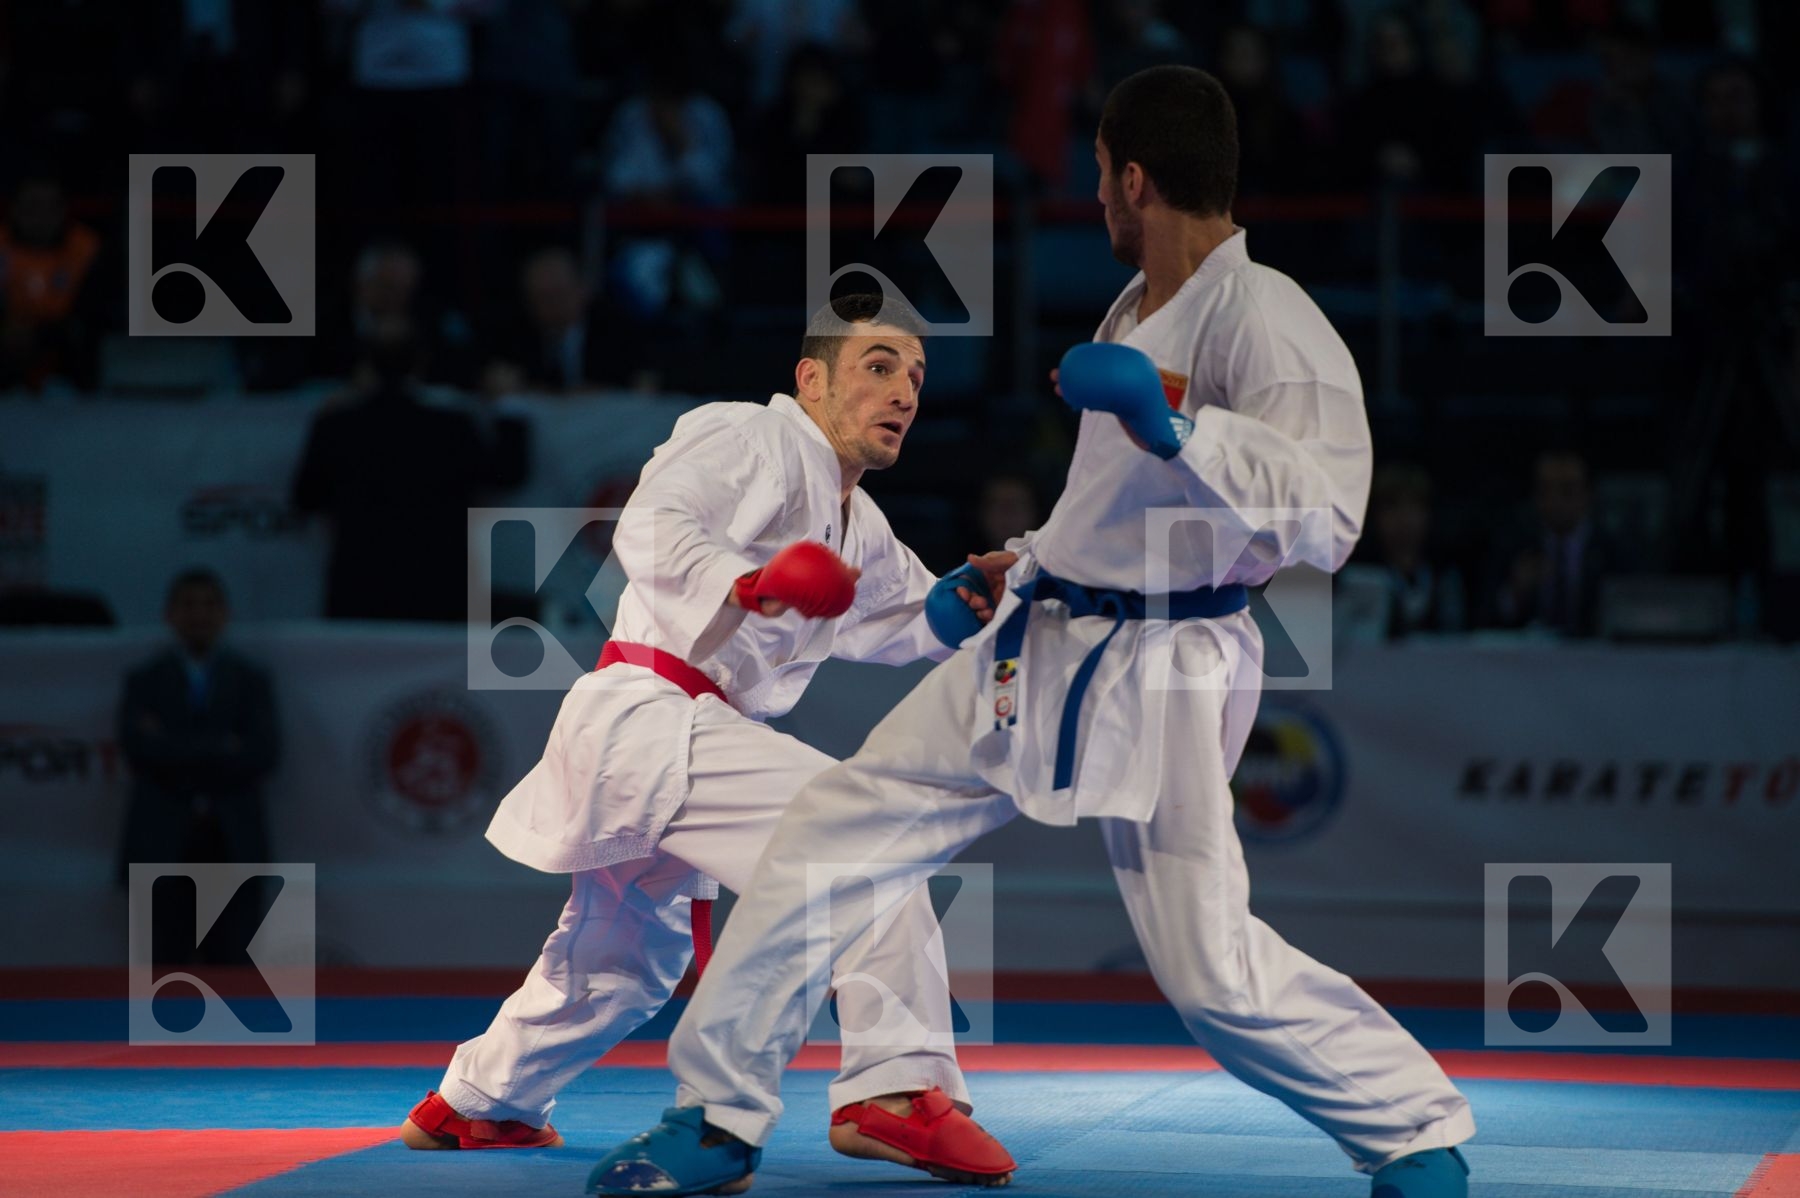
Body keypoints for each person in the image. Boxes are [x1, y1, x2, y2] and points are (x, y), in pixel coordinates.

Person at [590, 66, 1475, 1198]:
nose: (1095, 199)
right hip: (1047, 633)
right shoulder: (1133, 309)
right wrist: (1030, 561)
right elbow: (1125, 516)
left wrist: (1179, 427)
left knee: (1207, 964)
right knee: (829, 834)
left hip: (1167, 665)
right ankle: (716, 1115)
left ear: (1136, 177)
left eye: (1102, 176)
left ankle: (1411, 1128)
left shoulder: (1270, 319)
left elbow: (1332, 515)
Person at [399, 294, 1017, 1188]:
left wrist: (968, 600)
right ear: (811, 379)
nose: (904, 392)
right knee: (869, 829)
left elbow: (899, 620)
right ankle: (894, 1088)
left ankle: (480, 1103)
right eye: (879, 366)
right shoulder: (745, 436)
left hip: (683, 738)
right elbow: (652, 525)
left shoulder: (860, 521)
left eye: (916, 377)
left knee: (624, 960)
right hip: (651, 715)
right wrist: (750, 582)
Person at [291, 319, 528, 621]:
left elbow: (305, 498)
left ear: (365, 366)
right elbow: (508, 473)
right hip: (438, 592)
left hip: (359, 592)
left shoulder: (335, 426)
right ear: (420, 362)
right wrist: (509, 403)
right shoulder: (451, 427)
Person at [116, 569, 279, 963]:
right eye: (188, 605)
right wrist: (223, 745)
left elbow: (264, 753)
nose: (199, 615)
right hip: (162, 836)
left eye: (209, 605)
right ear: (169, 614)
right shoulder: (145, 681)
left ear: (225, 613)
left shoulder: (252, 680)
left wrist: (171, 743)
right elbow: (138, 750)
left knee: (235, 968)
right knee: (163, 969)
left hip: (232, 839)